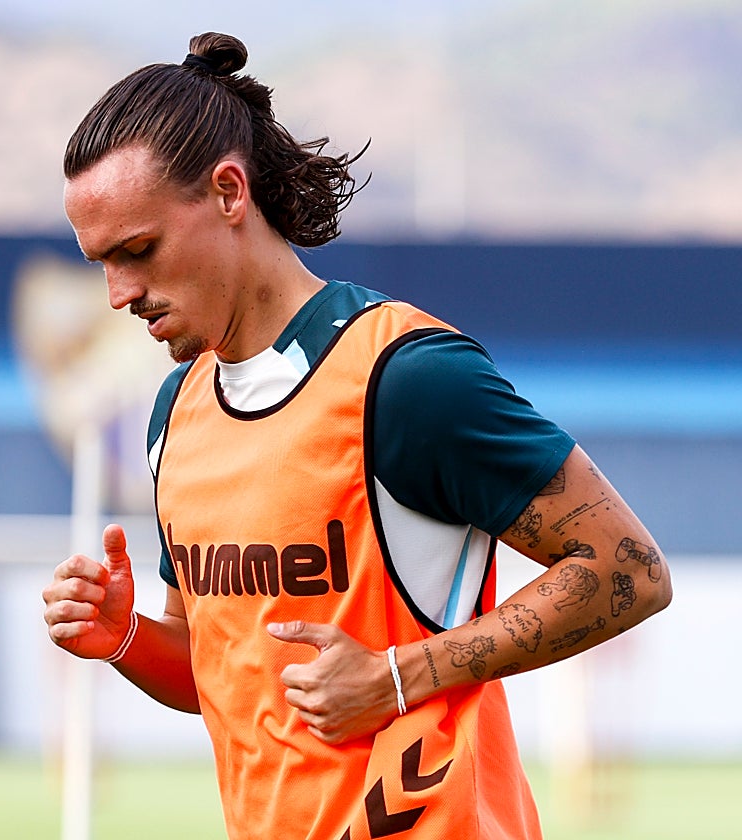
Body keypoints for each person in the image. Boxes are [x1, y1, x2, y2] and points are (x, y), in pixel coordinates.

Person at [42, 32, 671, 840]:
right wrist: (127, 637)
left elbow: (630, 569)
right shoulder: (176, 414)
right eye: (101, 262)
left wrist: (398, 677)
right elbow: (227, 677)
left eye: (138, 250)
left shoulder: (404, 378)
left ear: (230, 193)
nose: (119, 294)